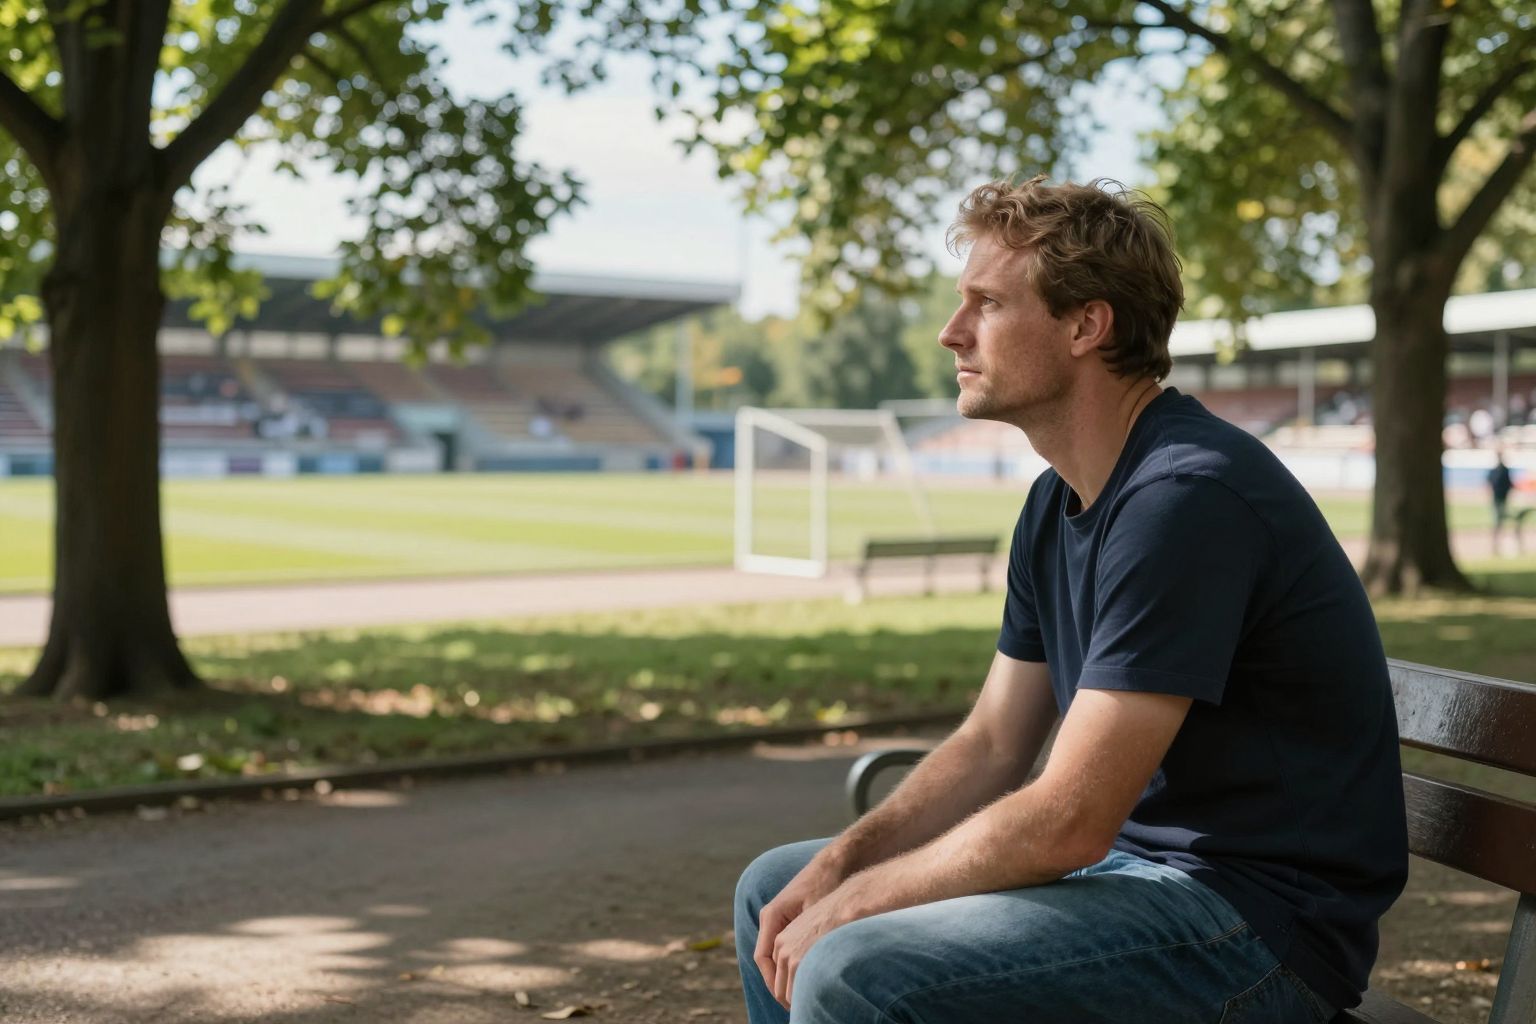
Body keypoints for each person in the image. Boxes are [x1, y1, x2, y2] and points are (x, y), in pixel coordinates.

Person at [734, 177, 1408, 1024]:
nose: (953, 333)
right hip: (1134, 881)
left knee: (854, 968)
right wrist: (841, 870)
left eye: (986, 304)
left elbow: (1070, 822)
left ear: (1088, 324)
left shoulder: (1186, 496)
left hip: (1255, 928)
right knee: (778, 889)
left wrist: (862, 903)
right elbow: (990, 744)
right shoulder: (1057, 501)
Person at [1490, 446, 1516, 554]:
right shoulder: (1495, 470)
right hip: (1497, 497)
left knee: (1501, 519)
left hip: (1503, 497)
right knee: (1498, 519)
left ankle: (1500, 541)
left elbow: (1509, 484)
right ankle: (1496, 543)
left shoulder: (1504, 470)